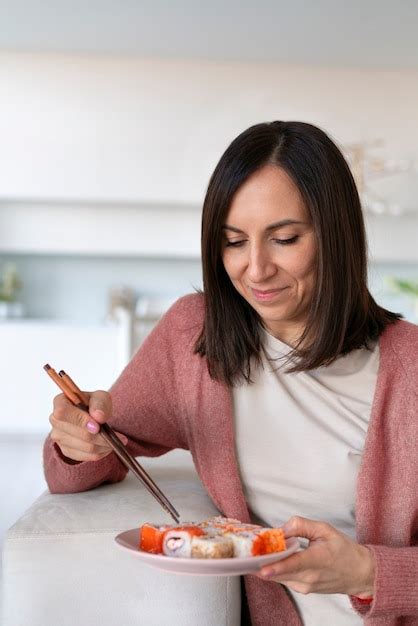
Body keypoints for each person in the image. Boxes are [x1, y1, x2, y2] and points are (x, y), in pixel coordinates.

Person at [44, 121, 418, 626]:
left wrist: (368, 572)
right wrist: (75, 440)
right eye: (234, 242)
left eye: (284, 239)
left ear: (336, 234)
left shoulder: (409, 370)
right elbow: (91, 456)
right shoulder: (193, 338)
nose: (256, 269)